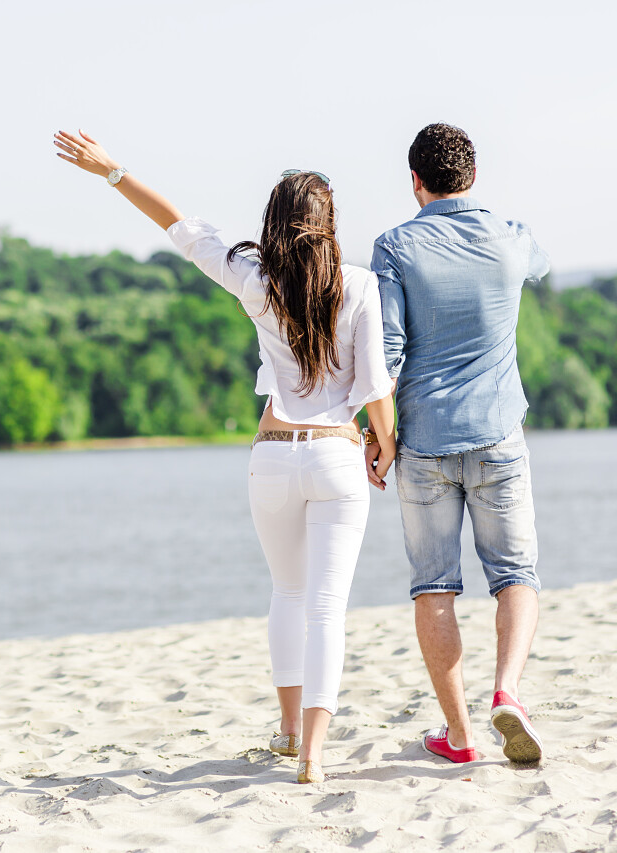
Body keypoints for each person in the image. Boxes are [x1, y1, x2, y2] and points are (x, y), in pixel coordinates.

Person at [53, 129, 396, 783]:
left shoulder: (254, 279)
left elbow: (182, 227)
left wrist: (113, 171)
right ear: (329, 226)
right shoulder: (358, 286)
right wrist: (387, 446)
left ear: (275, 223)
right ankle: (317, 754)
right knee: (326, 604)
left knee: (288, 591)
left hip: (271, 456)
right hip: (334, 456)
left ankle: (290, 731)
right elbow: (376, 385)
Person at [370, 123, 548, 765]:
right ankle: (508, 691)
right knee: (516, 575)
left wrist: (380, 438)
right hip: (499, 434)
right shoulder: (511, 237)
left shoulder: (394, 247)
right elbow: (540, 261)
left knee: (434, 587)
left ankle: (462, 735)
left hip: (423, 442)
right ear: (472, 176)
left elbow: (384, 354)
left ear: (414, 182)